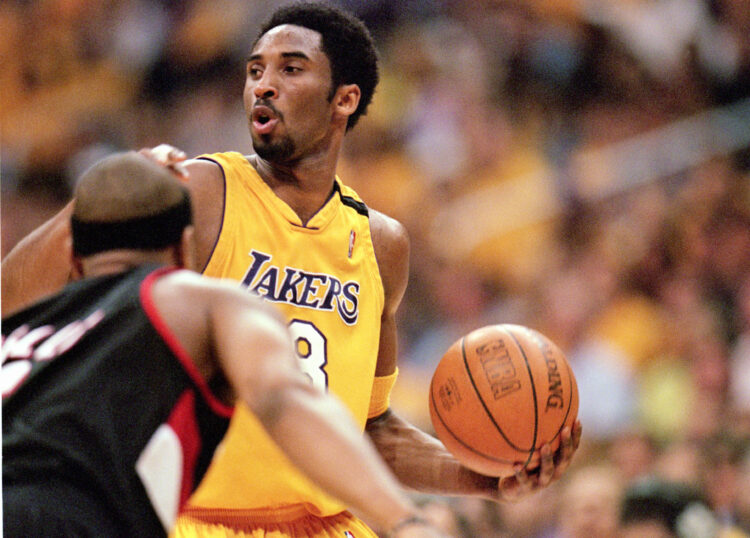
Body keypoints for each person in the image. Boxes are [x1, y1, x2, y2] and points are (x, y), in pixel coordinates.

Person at [1, 3, 582, 537]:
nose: (264, 84)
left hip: (328, 525)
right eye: (255, 70)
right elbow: (14, 300)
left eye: (291, 68)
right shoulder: (204, 191)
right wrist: (98, 201)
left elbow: (369, 431)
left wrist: (481, 477)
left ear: (344, 99)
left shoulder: (381, 244)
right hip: (199, 522)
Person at [1, 152, 445, 538]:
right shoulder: (188, 300)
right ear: (184, 250)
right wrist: (405, 520)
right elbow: (280, 398)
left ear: (75, 260)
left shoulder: (26, 331)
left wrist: (105, 190)